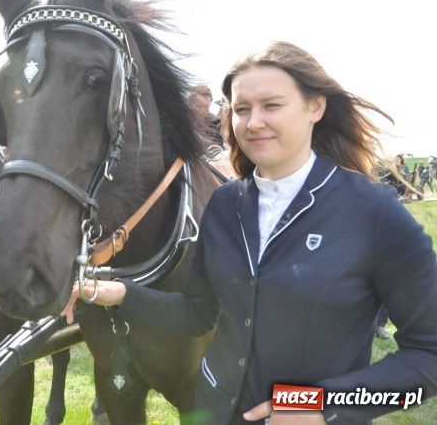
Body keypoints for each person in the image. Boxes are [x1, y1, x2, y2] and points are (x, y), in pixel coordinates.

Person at [63, 41, 437, 424]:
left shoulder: (373, 212)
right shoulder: (224, 204)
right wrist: (120, 293)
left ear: (316, 107)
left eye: (271, 105)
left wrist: (322, 405)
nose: (253, 121)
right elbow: (197, 314)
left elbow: (430, 355)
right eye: (242, 109)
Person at [190, 84, 224, 148]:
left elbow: (220, 147)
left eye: (206, 106)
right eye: (199, 106)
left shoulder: (217, 123)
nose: (203, 110)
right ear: (191, 104)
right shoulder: (182, 122)